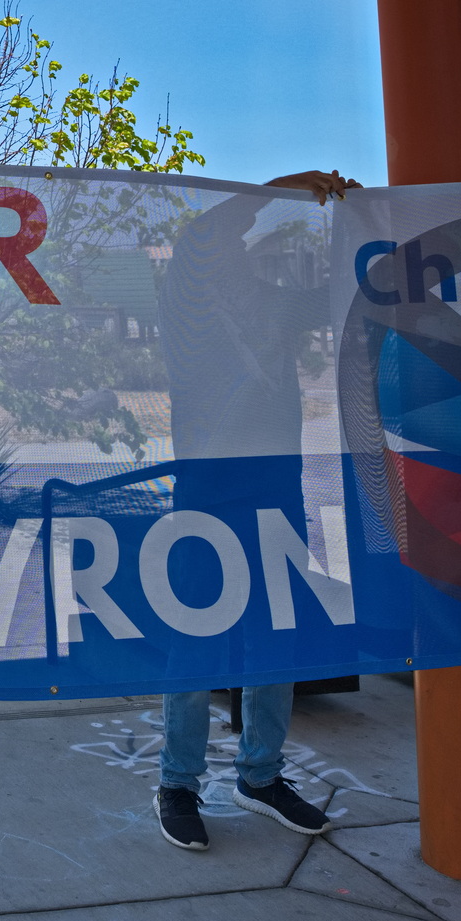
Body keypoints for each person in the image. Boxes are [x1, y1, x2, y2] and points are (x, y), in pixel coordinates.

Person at [150, 169, 358, 852]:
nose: (240, 253)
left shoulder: (274, 306)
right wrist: (295, 186)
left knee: (275, 638)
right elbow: (209, 228)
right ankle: (177, 784)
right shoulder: (189, 304)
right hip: (206, 495)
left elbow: (344, 291)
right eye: (229, 247)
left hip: (276, 492)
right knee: (195, 638)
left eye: (243, 249)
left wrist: (365, 220)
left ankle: (260, 776)